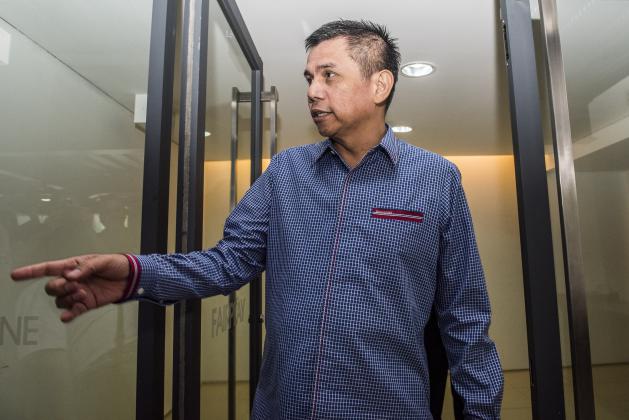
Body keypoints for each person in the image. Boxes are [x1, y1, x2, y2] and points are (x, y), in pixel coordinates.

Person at [11, 19, 503, 419]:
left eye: (328, 75)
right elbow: (226, 263)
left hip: (388, 409)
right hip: (285, 408)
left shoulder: (436, 180)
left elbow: (464, 317)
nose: (312, 91)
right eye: (309, 78)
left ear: (380, 84)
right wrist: (136, 273)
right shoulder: (287, 172)